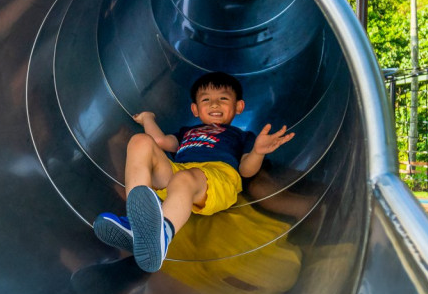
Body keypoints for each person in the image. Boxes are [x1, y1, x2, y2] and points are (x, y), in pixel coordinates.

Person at [93, 71, 294, 272]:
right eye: (206, 100)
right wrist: (147, 119)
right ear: (195, 109)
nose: (214, 104)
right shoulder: (186, 132)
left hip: (217, 178)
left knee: (184, 178)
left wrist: (258, 152)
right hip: (179, 174)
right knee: (140, 141)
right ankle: (137, 225)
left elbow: (246, 170)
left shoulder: (241, 136)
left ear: (238, 106)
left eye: (223, 99)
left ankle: (162, 234)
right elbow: (161, 142)